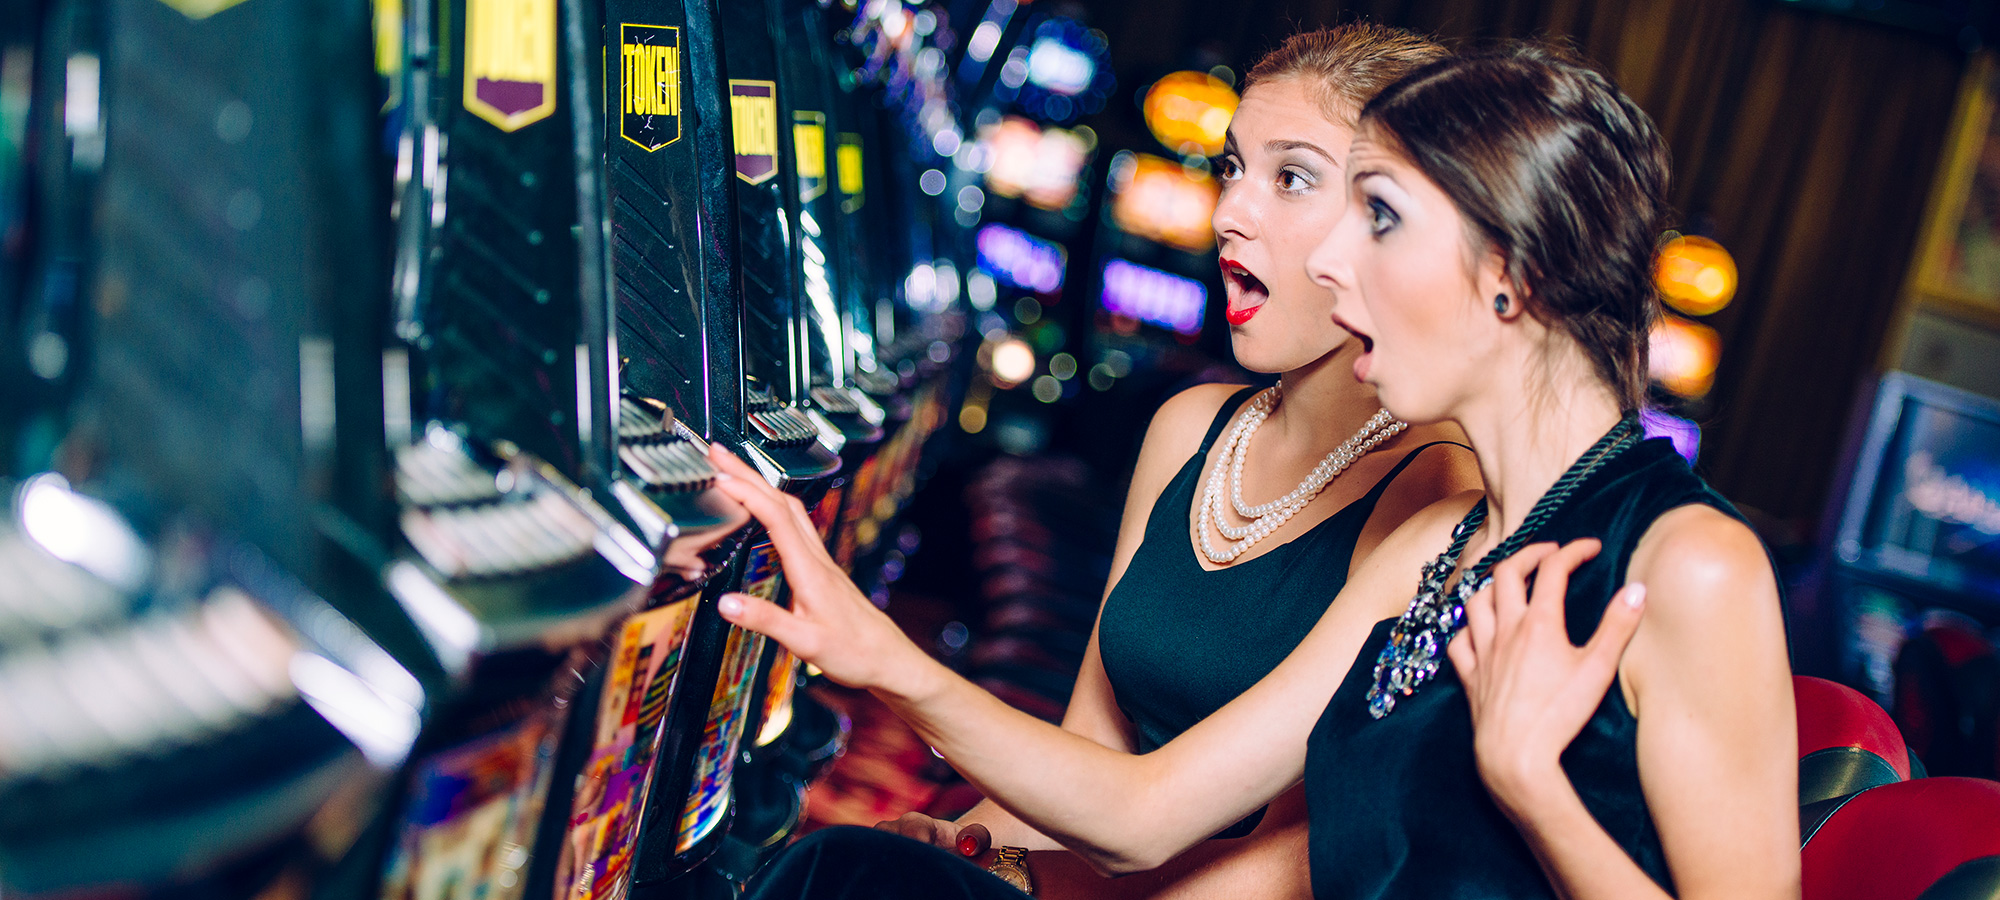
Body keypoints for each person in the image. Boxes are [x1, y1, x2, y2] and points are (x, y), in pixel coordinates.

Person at [711, 43, 1798, 900]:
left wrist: (1532, 789)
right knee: (854, 873)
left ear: (1506, 274)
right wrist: (961, 808)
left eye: (1378, 219)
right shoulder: (1445, 542)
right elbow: (1150, 817)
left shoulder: (1689, 562)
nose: (1331, 260)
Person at [886, 24, 1476, 900]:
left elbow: (1288, 869)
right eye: (1234, 167)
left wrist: (1019, 878)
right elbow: (1092, 753)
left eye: (1292, 177)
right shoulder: (1191, 427)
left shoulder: (1436, 500)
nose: (1229, 210)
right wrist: (964, 840)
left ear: (1394, 224)